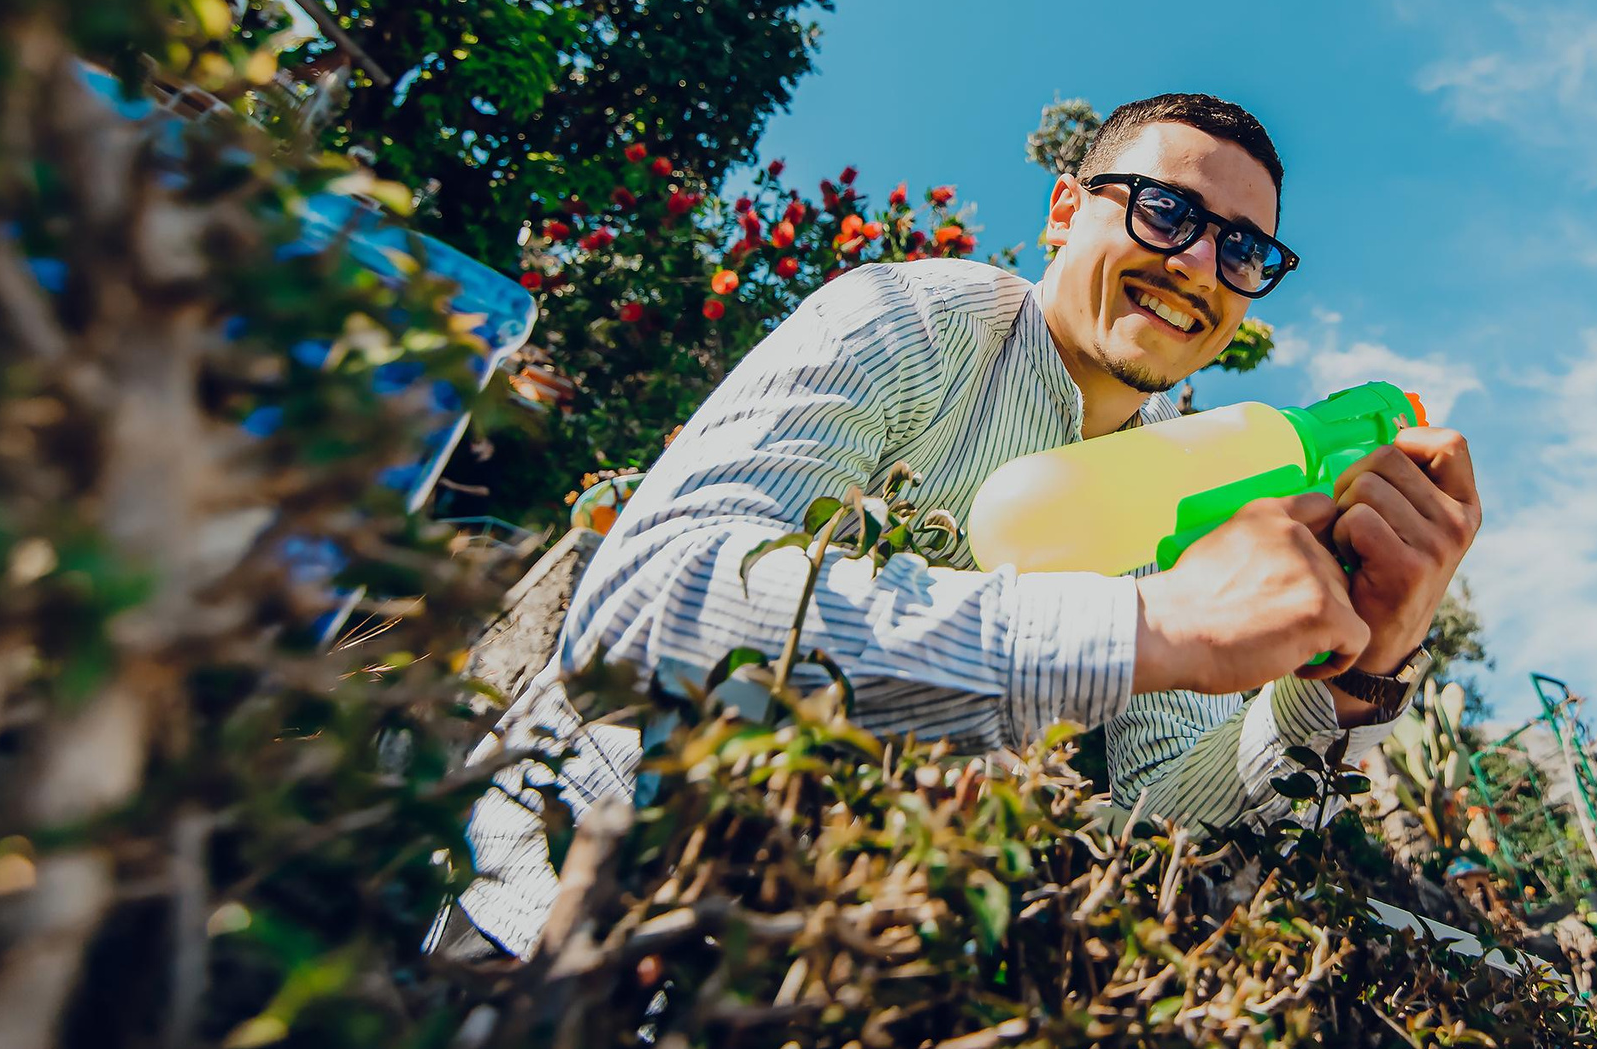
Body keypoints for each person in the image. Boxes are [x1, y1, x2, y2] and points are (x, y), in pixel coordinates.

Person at [450, 94, 1481, 955]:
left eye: (1243, 245)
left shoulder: (1194, 488)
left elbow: (1163, 827)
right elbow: (648, 605)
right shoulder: (913, 322)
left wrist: (1345, 687)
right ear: (1064, 209)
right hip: (552, 923)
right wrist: (1143, 628)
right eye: (1167, 209)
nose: (1200, 264)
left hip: (817, 1010)